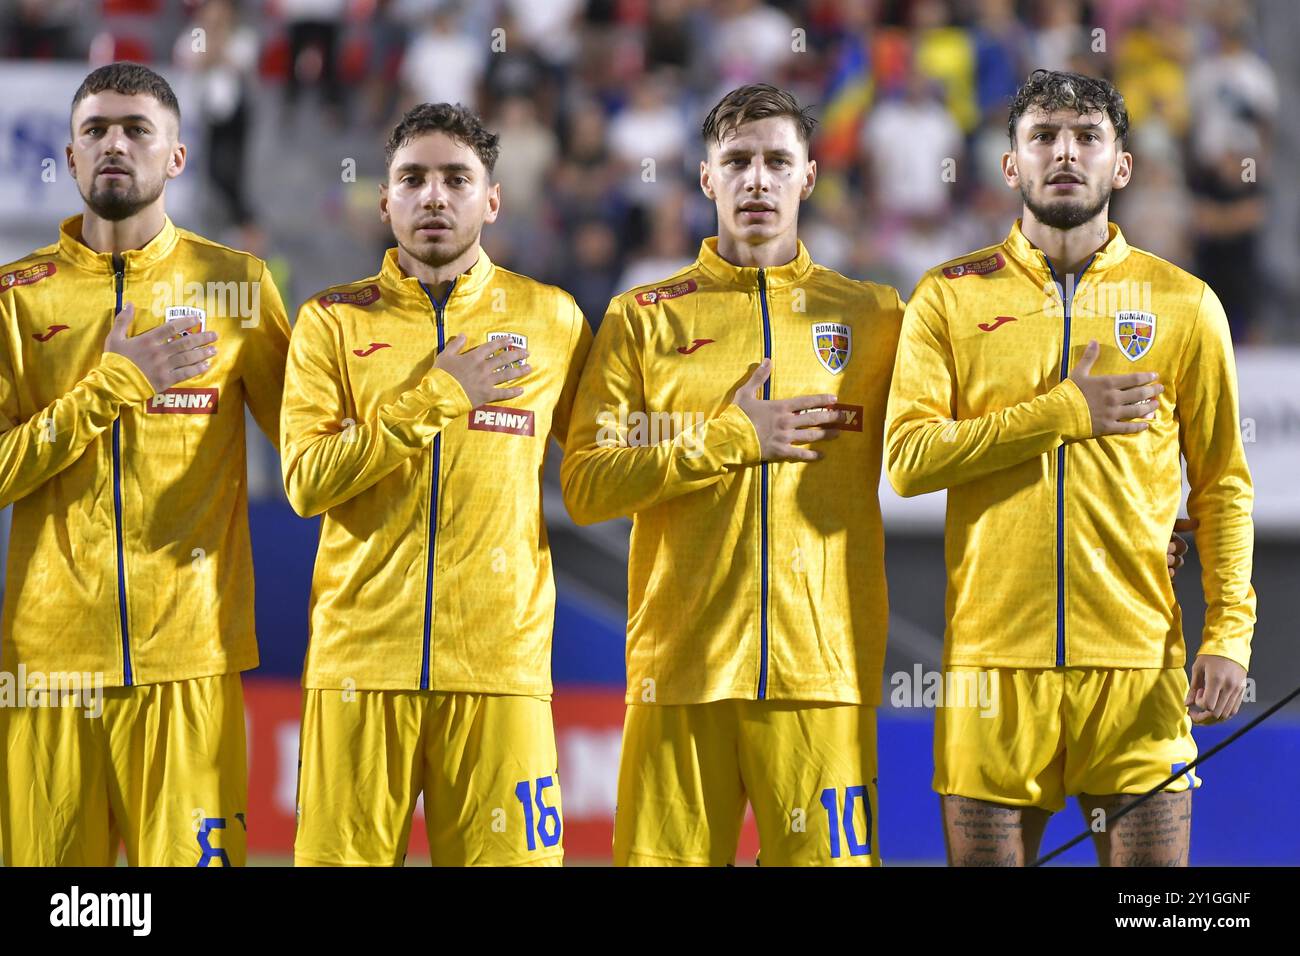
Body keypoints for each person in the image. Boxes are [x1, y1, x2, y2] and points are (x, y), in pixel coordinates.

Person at [885, 69, 1255, 866]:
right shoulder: (946, 298)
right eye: (1043, 136)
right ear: (1011, 165)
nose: (1065, 153)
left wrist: (1230, 633)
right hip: (991, 672)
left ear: (1122, 165)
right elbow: (909, 461)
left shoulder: (1185, 303)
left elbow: (1223, 485)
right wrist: (1064, 411)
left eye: (1088, 137)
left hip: (1139, 668)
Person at [562, 84, 903, 866]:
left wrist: (1129, 524)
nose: (758, 180)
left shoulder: (877, 316)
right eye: (738, 161)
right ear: (706, 179)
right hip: (678, 672)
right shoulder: (643, 318)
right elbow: (585, 484)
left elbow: (953, 444)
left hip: (822, 673)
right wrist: (724, 439)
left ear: (809, 178)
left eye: (777, 161)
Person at [281, 103, 592, 866]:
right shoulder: (330, 323)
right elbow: (305, 482)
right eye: (412, 179)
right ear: (384, 200)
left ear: (492, 199)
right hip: (360, 667)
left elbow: (598, 473)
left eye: (456, 178)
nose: (433, 196)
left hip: (501, 667)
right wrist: (439, 397)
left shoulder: (553, 320)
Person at [0, 62, 292, 866]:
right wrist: (115, 385)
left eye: (136, 130)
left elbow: (311, 461)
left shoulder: (236, 286)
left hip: (191, 660)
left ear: (177, 158)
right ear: (68, 154)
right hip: (48, 667)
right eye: (95, 130)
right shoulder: (15, 300)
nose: (114, 145)